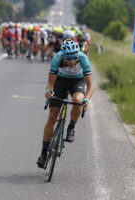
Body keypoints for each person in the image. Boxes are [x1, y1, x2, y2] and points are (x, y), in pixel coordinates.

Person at [37, 39, 94, 168]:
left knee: (78, 100)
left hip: (77, 82)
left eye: (74, 58)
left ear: (77, 55)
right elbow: (51, 82)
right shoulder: (57, 57)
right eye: (68, 59)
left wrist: (87, 99)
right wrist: (49, 91)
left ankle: (71, 127)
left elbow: (90, 85)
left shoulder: (83, 58)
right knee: (52, 116)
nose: (71, 62)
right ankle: (44, 153)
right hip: (60, 82)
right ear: (63, 55)